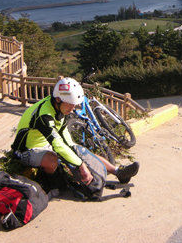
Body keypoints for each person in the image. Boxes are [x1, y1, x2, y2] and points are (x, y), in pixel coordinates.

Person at [11, 77, 139, 188]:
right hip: (26, 150)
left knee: (80, 150)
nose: (73, 109)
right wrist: (81, 165)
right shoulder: (44, 115)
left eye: (74, 105)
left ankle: (118, 172)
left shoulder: (59, 108)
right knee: (52, 159)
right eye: (70, 104)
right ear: (58, 99)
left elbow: (65, 138)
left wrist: (76, 151)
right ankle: (52, 185)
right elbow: (58, 145)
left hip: (46, 144)